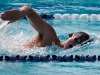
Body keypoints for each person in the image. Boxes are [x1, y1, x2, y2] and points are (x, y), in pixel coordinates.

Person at [0, 5, 90, 49]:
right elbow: (29, 10)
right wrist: (21, 13)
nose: (77, 44)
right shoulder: (50, 35)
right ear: (70, 35)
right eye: (77, 40)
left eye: (81, 44)